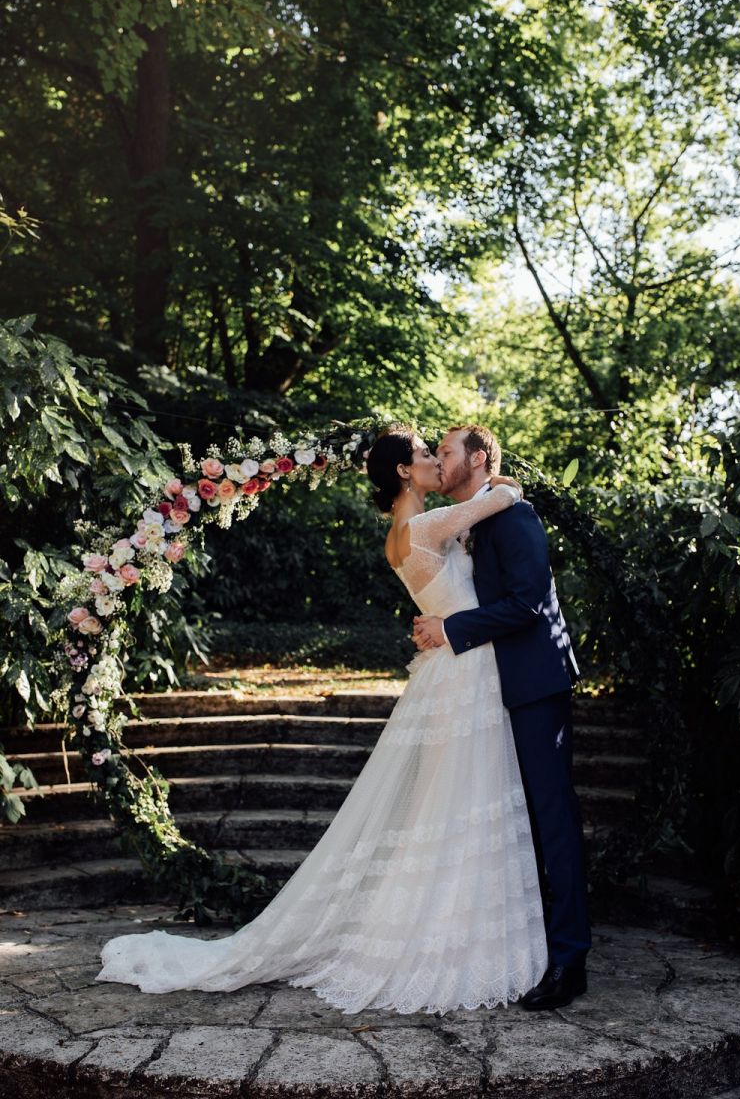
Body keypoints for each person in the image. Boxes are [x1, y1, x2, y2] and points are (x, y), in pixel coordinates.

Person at [97, 426, 547, 1014]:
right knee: (461, 801)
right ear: (405, 474)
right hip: (464, 676)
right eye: (423, 455)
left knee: (458, 804)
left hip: (458, 668)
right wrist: (508, 485)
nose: (435, 460)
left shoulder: (411, 530)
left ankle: (456, 922)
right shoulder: (420, 526)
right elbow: (499, 500)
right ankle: (445, 937)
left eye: (440, 452)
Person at [413, 425, 591, 1011]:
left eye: (445, 451)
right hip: (495, 690)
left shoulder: (515, 519)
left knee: (552, 819)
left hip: (536, 685)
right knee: (521, 819)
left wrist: (451, 630)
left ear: (480, 457)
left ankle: (570, 962)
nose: (439, 461)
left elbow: (528, 603)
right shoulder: (479, 517)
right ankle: (535, 946)